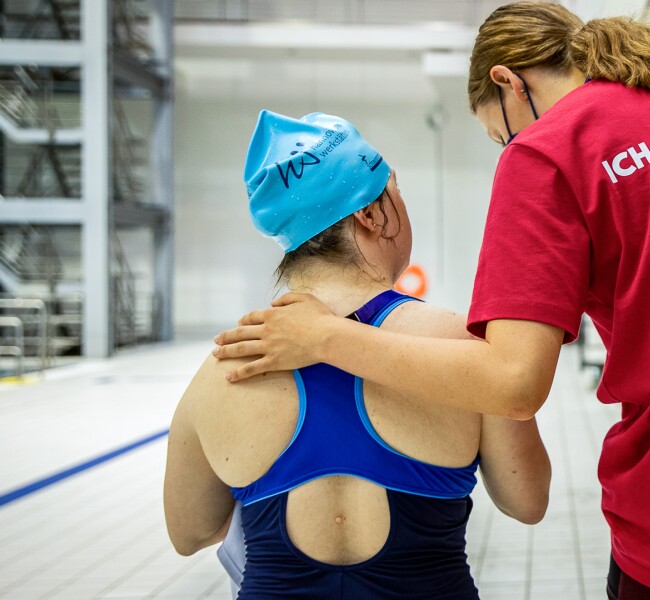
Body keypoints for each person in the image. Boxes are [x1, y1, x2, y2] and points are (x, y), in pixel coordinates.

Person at [213, 3, 650, 599]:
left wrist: (326, 339)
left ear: (508, 81)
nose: (509, 148)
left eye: (500, 134)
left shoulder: (550, 151)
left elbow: (514, 382)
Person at [164, 110, 551, 599]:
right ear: (370, 214)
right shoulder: (463, 345)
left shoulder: (225, 367)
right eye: (395, 189)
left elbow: (189, 533)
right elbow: (526, 500)